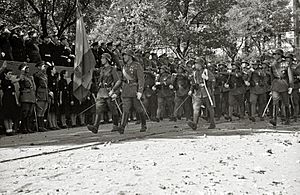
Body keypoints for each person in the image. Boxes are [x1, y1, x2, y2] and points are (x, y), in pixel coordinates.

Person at [87, 53, 121, 133]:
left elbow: (118, 81)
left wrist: (115, 92)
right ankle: (95, 127)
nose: (101, 60)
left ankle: (116, 125)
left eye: (103, 58)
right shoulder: (101, 69)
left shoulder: (112, 69)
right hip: (101, 92)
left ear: (107, 59)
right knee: (98, 110)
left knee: (113, 111)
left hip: (109, 91)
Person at [115, 49, 146, 134]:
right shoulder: (124, 67)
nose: (124, 57)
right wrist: (114, 90)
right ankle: (122, 126)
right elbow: (120, 80)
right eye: (123, 55)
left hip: (134, 89)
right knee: (125, 109)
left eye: (125, 55)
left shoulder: (137, 65)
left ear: (130, 56)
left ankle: (144, 124)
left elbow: (141, 79)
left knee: (139, 109)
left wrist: (140, 91)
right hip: (125, 90)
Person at [187, 58, 216, 130]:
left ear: (201, 64)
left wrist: (207, 78)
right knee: (196, 108)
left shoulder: (206, 71)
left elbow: (213, 80)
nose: (195, 65)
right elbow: (193, 83)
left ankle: (212, 123)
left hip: (206, 92)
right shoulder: (194, 73)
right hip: (198, 92)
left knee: (210, 108)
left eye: (197, 63)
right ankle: (194, 124)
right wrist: (191, 90)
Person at [269, 49, 293, 126]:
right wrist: (271, 88)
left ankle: (287, 119)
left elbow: (290, 75)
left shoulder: (286, 64)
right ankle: (274, 119)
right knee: (275, 102)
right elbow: (272, 77)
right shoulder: (272, 65)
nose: (275, 56)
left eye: (277, 54)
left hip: (284, 84)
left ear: (280, 55)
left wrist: (291, 86)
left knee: (286, 103)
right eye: (274, 54)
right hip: (275, 85)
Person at [0, 68, 20, 135]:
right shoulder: (4, 81)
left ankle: (11, 129)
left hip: (12, 100)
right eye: (9, 74)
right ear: (5, 74)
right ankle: (7, 130)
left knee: (11, 115)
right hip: (6, 99)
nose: (10, 75)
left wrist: (16, 101)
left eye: (11, 74)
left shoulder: (11, 83)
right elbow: (5, 87)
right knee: (6, 115)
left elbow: (13, 92)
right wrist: (18, 79)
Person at [19, 63, 36, 133]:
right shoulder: (21, 76)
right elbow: (21, 79)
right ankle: (23, 128)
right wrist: (22, 71)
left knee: (30, 112)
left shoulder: (30, 77)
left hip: (31, 95)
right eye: (26, 67)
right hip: (25, 96)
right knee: (25, 112)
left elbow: (34, 87)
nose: (28, 68)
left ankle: (28, 127)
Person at [33, 61, 50, 132]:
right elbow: (35, 85)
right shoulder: (37, 75)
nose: (44, 67)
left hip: (45, 94)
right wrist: (35, 95)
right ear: (39, 67)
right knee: (39, 110)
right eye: (43, 66)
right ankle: (40, 126)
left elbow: (47, 85)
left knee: (44, 110)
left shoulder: (45, 75)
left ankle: (42, 126)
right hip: (40, 94)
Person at [46, 66, 60, 130]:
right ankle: (51, 124)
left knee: (55, 110)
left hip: (56, 95)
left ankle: (55, 123)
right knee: (51, 110)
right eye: (54, 69)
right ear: (51, 70)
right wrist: (50, 92)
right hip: (51, 95)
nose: (55, 70)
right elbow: (48, 86)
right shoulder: (49, 78)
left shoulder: (55, 78)